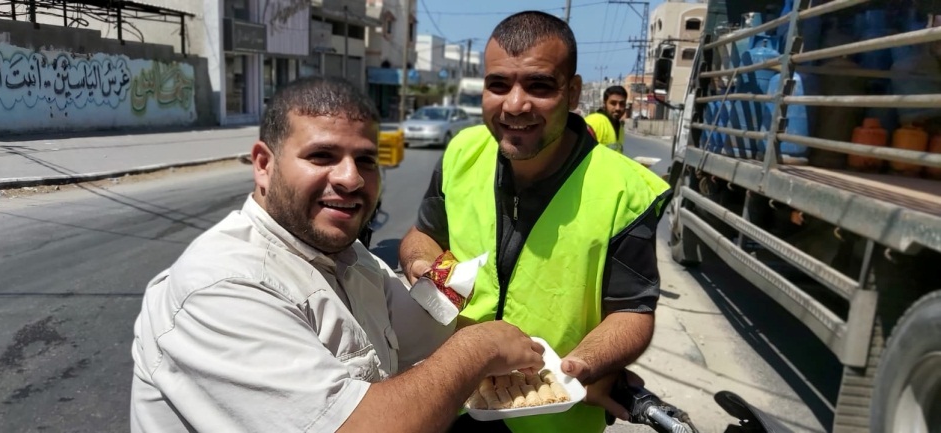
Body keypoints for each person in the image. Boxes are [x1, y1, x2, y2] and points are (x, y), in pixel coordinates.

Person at [130, 76, 545, 433]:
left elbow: (426, 334)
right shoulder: (222, 284)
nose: (350, 179)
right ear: (263, 165)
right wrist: (477, 350)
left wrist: (544, 360)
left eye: (366, 160)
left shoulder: (350, 259)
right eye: (322, 156)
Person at [398, 11, 671, 433]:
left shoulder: (624, 190)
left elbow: (632, 310)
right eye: (498, 84)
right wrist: (423, 265)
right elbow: (424, 235)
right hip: (455, 398)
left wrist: (580, 366)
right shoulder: (462, 151)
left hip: (550, 412)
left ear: (574, 92)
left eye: (539, 85)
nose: (515, 104)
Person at [585, 85, 628, 153]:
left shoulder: (620, 128)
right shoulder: (594, 122)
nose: (618, 108)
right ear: (604, 104)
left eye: (622, 104)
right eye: (613, 103)